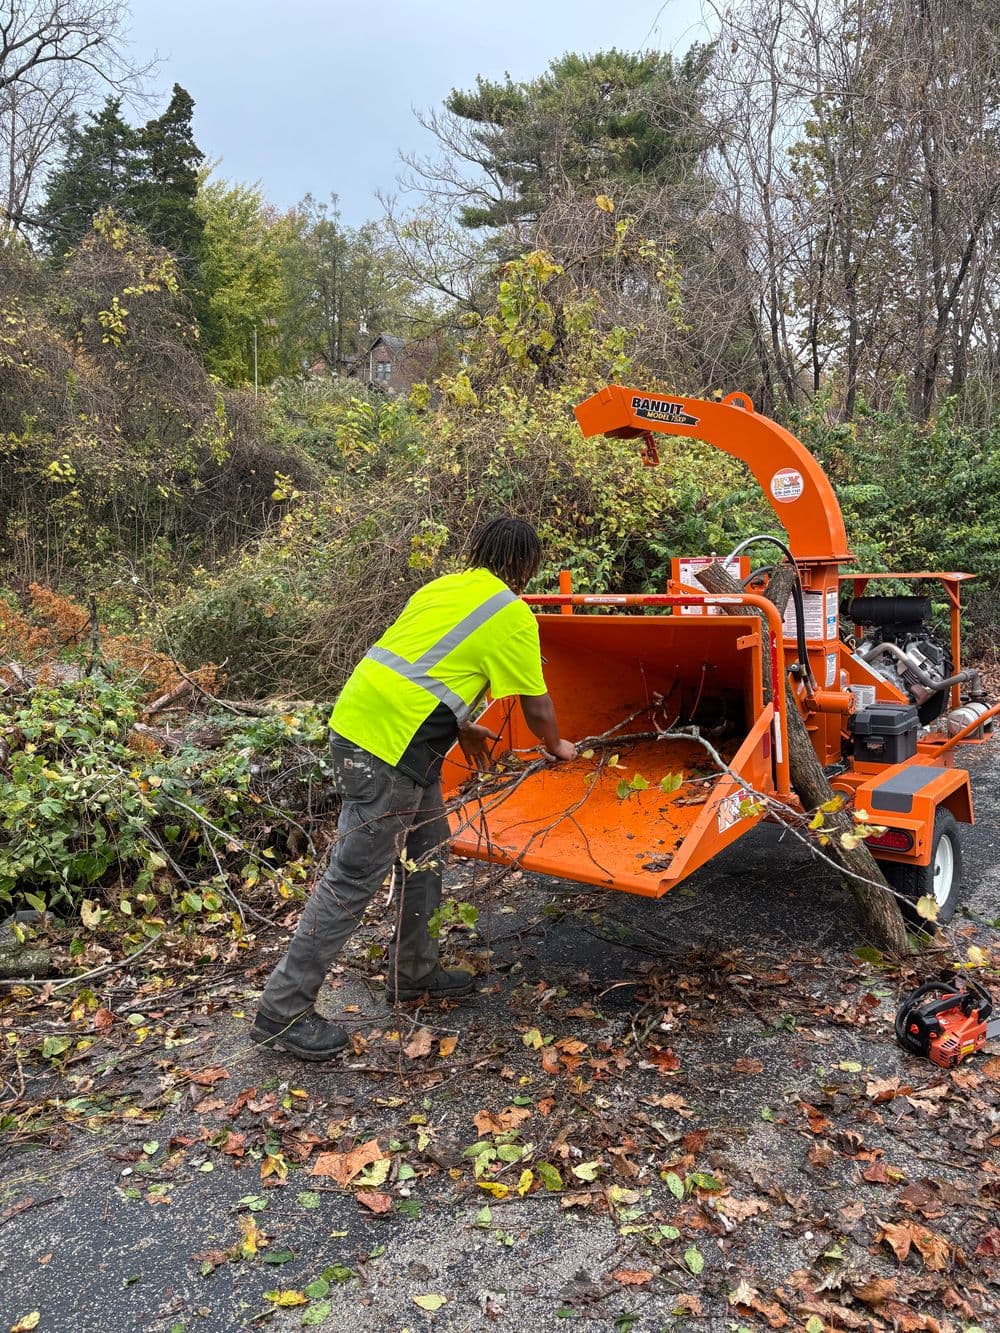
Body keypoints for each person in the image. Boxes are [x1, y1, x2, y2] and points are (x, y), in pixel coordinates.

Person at [250, 516, 576, 1061]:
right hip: (389, 747)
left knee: (427, 847)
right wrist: (558, 746)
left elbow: (426, 667)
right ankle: (282, 1013)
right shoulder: (512, 613)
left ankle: (414, 971)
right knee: (352, 878)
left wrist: (463, 725)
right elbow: (536, 705)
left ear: (480, 548)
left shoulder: (444, 587)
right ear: (527, 564)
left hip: (366, 725)